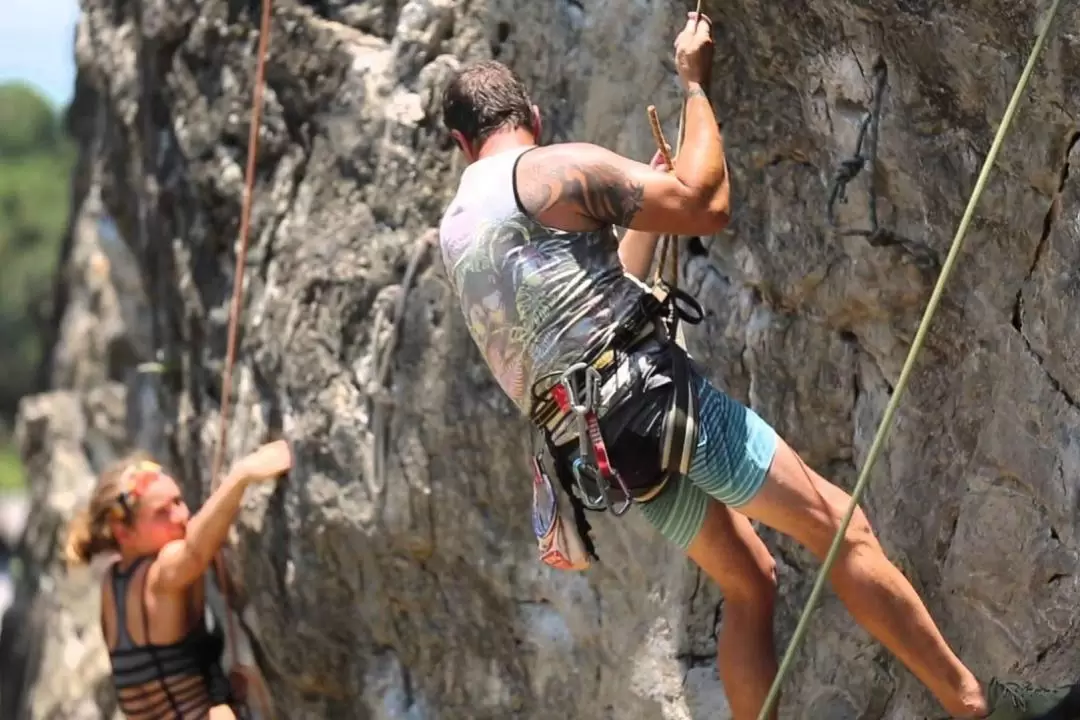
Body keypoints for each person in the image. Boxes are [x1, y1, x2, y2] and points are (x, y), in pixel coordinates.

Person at [436, 12, 1080, 720]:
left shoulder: (460, 228)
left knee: (750, 581)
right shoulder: (550, 169)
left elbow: (574, 310)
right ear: (532, 113)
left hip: (599, 449)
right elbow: (705, 203)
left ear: (464, 144)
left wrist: (644, 215)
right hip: (653, 403)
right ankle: (974, 705)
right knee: (840, 528)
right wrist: (695, 86)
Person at [64, 440, 292, 719]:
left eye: (179, 501)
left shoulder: (113, 583)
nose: (182, 516)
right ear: (123, 532)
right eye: (162, 512)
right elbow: (195, 552)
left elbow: (164, 670)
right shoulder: (160, 574)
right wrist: (242, 476)